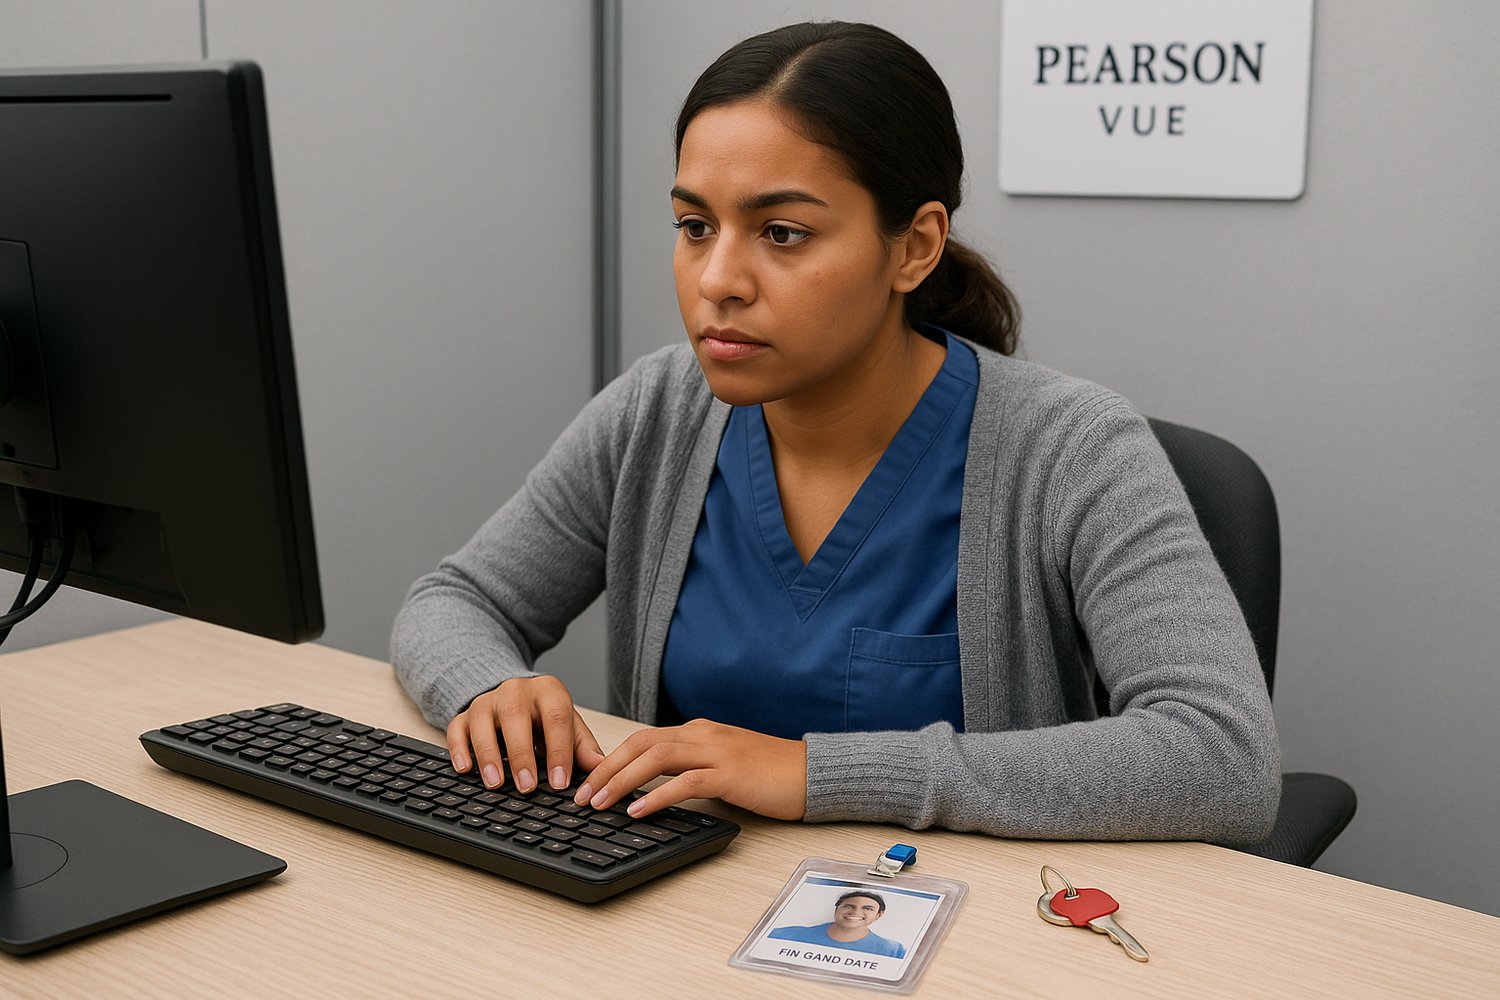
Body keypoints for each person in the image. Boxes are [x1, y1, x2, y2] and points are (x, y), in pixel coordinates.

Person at [391, 21, 1279, 843]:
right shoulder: (656, 412)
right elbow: (456, 601)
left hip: (970, 936)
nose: (718, 280)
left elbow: (1221, 757)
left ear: (913, 247)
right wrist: (489, 687)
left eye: (782, 232)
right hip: (678, 913)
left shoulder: (1071, 448)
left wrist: (817, 773)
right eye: (694, 227)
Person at [768, 891, 907, 959]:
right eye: (848, 906)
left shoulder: (893, 950)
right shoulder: (785, 934)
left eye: (867, 908)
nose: (855, 912)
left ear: (879, 915)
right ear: (837, 909)